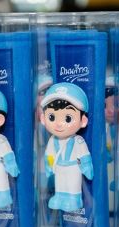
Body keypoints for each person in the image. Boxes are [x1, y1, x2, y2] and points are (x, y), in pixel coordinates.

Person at [41, 82, 93, 212]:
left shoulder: (78, 141)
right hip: (59, 167)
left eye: (68, 118)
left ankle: (74, 199)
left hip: (73, 168)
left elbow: (84, 156)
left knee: (72, 185)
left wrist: (87, 168)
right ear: (43, 118)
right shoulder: (52, 140)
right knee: (60, 184)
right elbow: (49, 155)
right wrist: (49, 166)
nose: (59, 124)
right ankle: (59, 197)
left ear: (83, 121)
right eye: (52, 117)